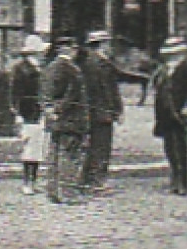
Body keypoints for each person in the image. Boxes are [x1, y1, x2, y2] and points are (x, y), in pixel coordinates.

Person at [40, 38, 90, 205]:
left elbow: (45, 95)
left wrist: (50, 111)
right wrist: (58, 110)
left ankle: (53, 190)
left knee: (54, 155)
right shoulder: (72, 70)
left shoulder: (49, 67)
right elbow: (72, 96)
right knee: (70, 156)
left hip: (56, 121)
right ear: (70, 49)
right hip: (71, 120)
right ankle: (68, 193)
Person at [78, 30, 125, 195]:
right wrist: (115, 110)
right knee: (100, 147)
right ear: (103, 44)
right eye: (107, 43)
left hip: (99, 112)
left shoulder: (94, 62)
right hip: (100, 113)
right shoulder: (97, 64)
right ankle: (95, 182)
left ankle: (88, 180)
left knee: (96, 147)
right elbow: (106, 90)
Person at [153, 37, 187, 195]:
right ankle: (176, 179)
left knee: (185, 148)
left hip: (183, 111)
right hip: (166, 114)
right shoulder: (163, 70)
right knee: (171, 148)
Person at [9, 34, 48, 195]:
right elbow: (14, 93)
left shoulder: (39, 68)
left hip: (38, 111)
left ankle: (33, 180)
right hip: (27, 111)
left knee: (37, 148)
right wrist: (17, 112)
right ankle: (27, 182)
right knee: (29, 147)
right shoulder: (20, 69)